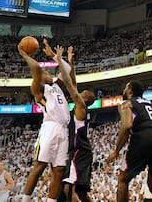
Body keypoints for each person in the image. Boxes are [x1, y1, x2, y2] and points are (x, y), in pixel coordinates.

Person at [18, 39, 72, 202]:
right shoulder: (39, 89)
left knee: (59, 170)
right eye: (46, 73)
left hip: (63, 129)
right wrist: (24, 55)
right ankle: (25, 199)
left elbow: (67, 69)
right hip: (50, 128)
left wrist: (55, 56)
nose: (49, 74)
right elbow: (36, 68)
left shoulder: (57, 86)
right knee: (40, 166)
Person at [106, 81, 152, 202]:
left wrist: (116, 151)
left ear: (130, 90)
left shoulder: (126, 103)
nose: (123, 91)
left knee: (123, 180)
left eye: (125, 88)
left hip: (144, 136)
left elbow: (126, 126)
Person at [54, 45, 95, 202]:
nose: (80, 92)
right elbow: (75, 84)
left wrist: (60, 60)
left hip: (79, 151)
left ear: (85, 99)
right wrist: (72, 62)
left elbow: (70, 85)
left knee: (68, 189)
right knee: (82, 193)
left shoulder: (80, 106)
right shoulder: (81, 107)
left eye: (82, 93)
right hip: (81, 151)